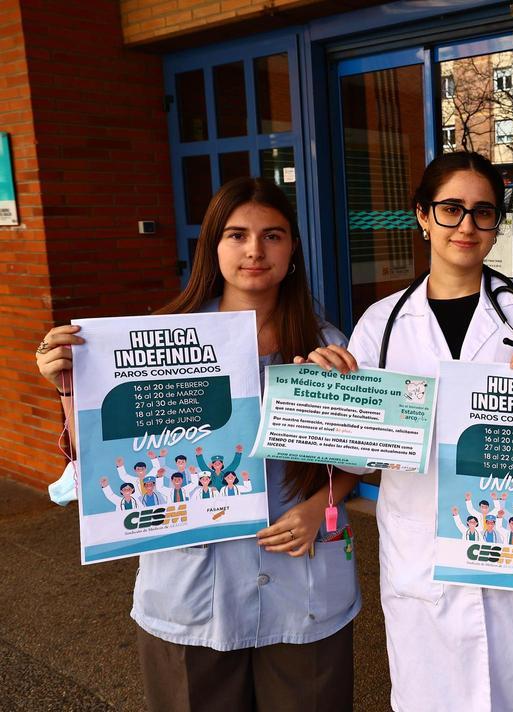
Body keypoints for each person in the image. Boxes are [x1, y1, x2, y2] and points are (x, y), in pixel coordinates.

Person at [34, 176, 361, 710]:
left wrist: (320, 504)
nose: (255, 250)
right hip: (191, 588)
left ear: (293, 248)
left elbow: (355, 459)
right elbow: (97, 460)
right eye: (237, 235)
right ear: (213, 246)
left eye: (273, 235)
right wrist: (70, 384)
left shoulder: (329, 344)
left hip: (303, 579)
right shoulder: (158, 337)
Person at [307, 151, 513, 712]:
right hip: (425, 556)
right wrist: (334, 402)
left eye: (483, 212)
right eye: (451, 209)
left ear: (497, 224)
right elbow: (358, 463)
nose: (466, 225)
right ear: (422, 216)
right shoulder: (381, 324)